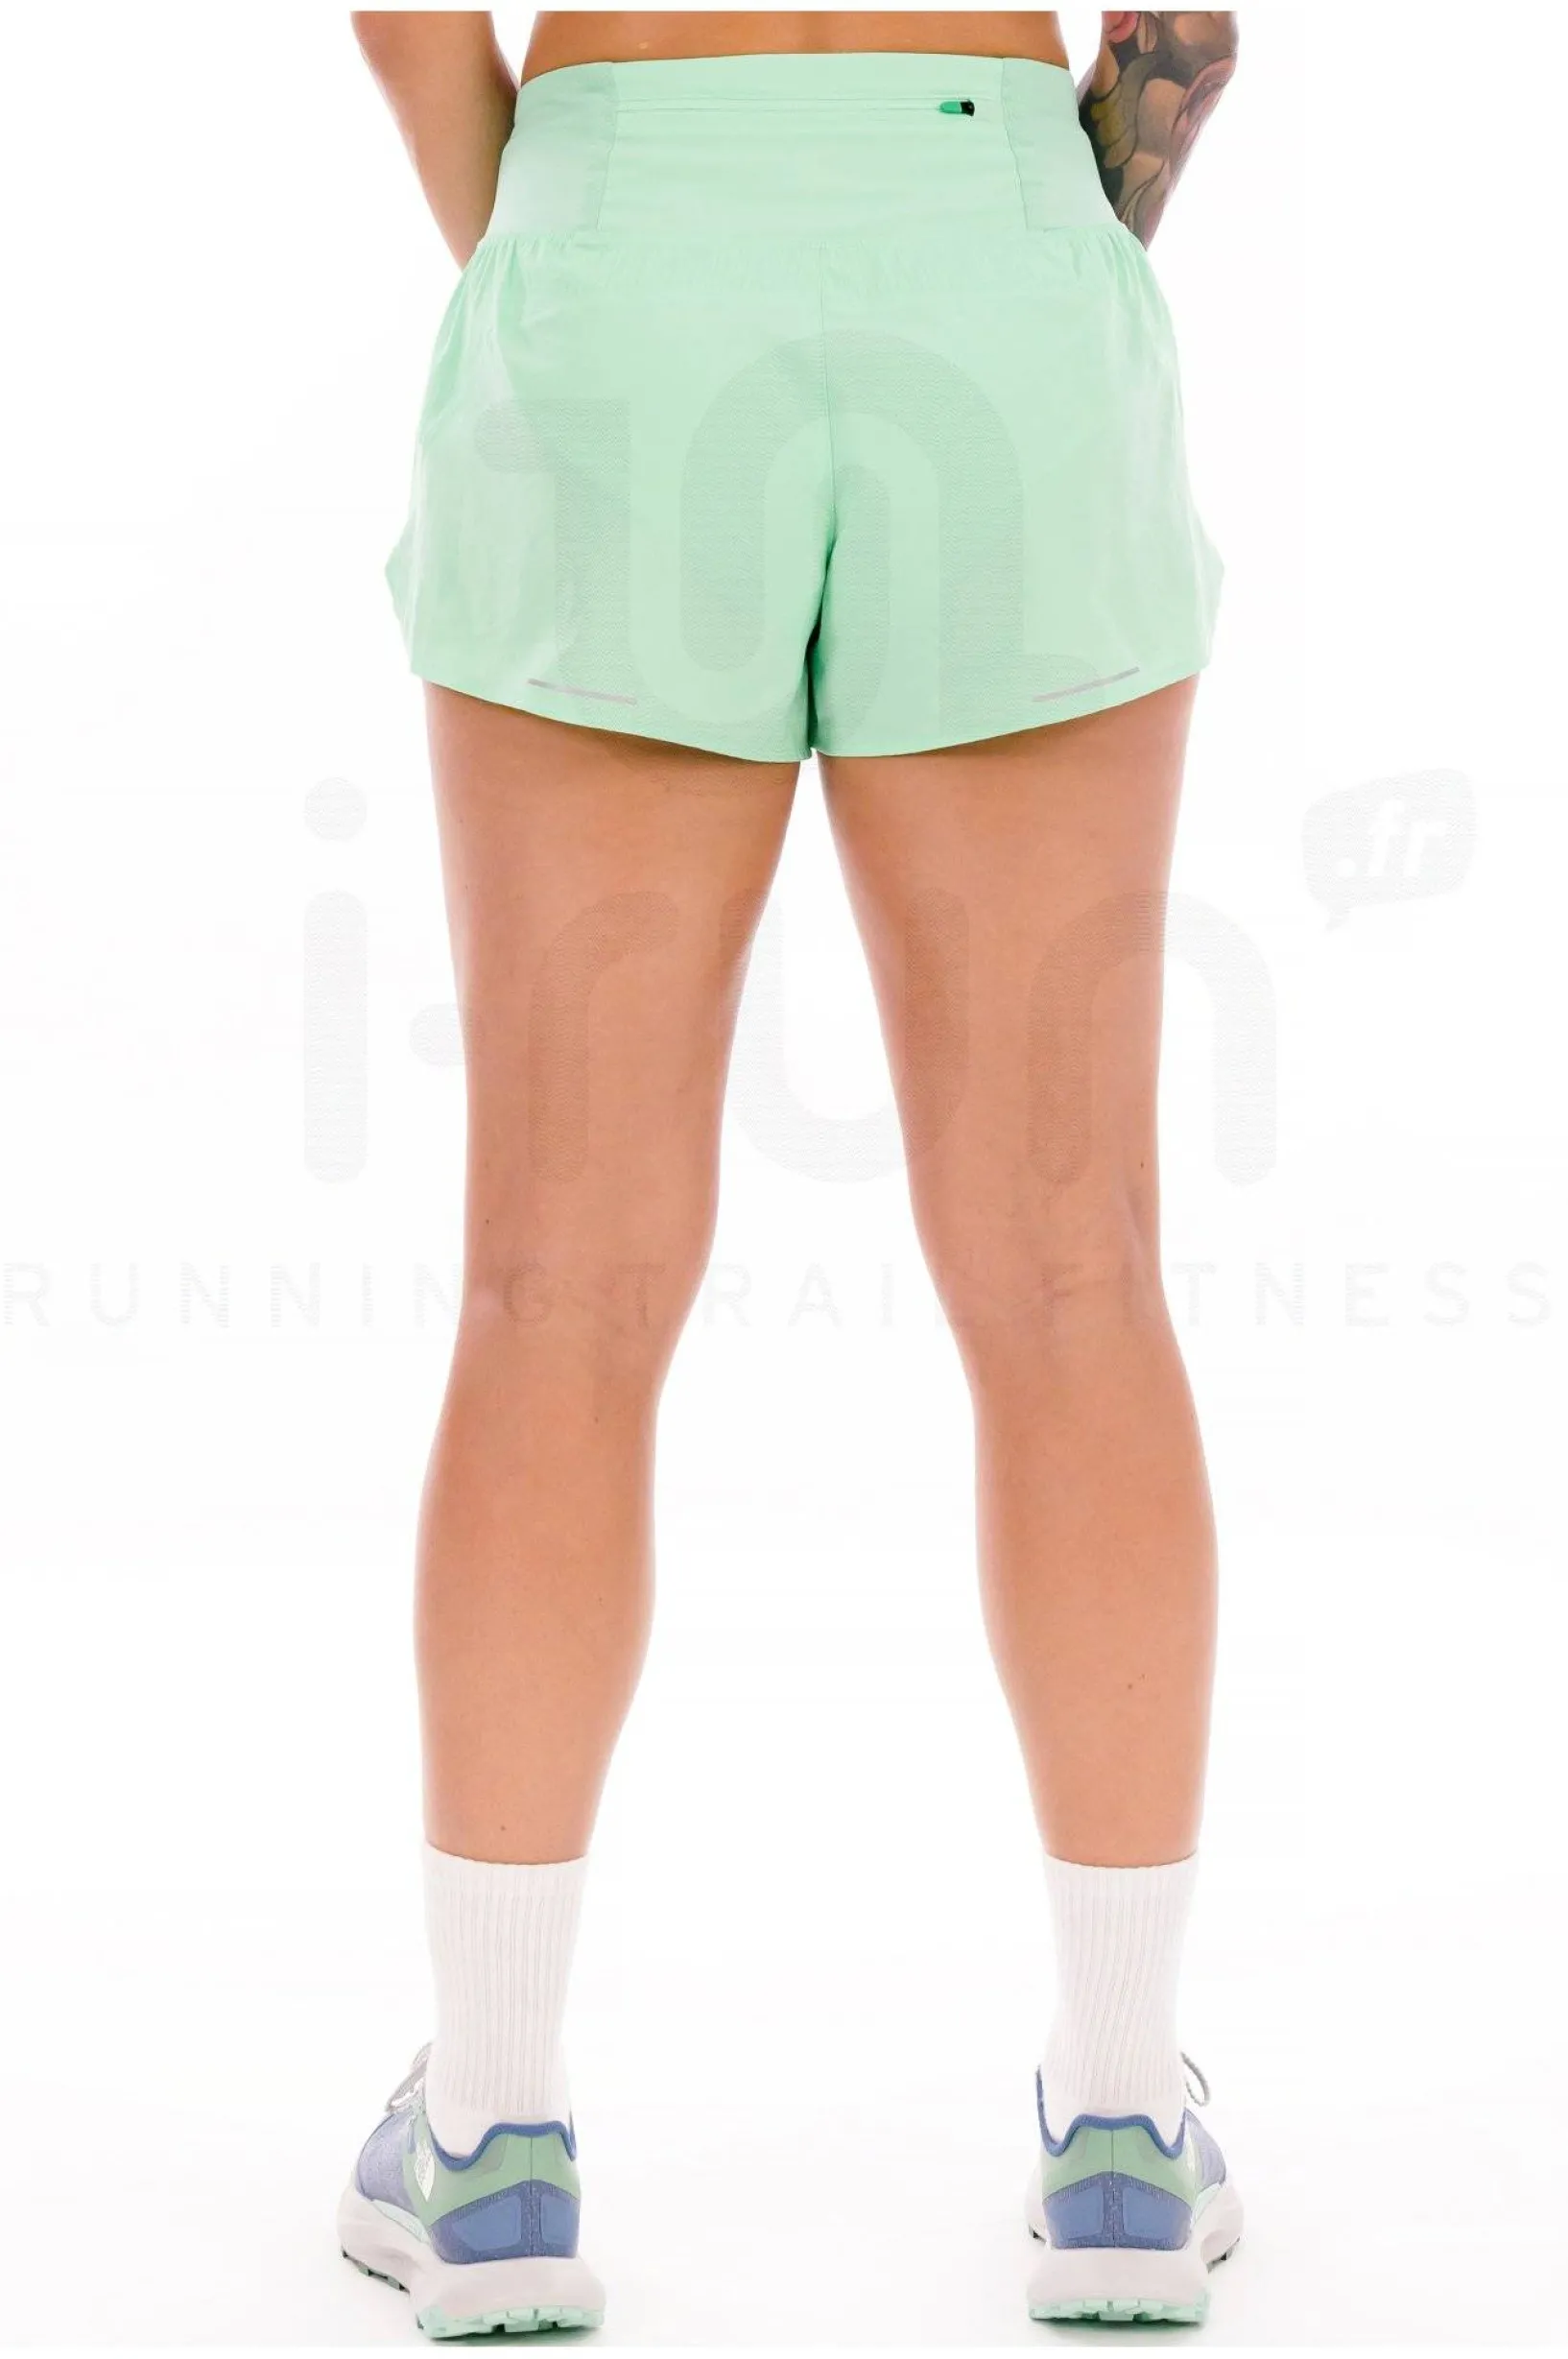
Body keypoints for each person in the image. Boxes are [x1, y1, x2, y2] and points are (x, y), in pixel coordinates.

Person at [340, 8, 1240, 2336]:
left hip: (619, 229)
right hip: (997, 244)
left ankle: (490, 2141)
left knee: (553, 1281)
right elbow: (1184, 27)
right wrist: (1022, 234)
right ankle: (1122, 2130)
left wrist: (566, 246)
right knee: (1075, 1268)